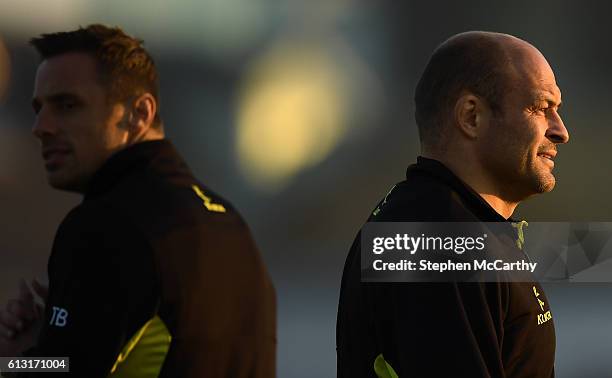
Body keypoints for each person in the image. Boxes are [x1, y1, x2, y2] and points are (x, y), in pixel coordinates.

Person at [0, 24, 276, 377]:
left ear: (139, 114)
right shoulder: (230, 223)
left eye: (67, 105)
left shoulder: (104, 226)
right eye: (38, 108)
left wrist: (14, 359)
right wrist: (52, 339)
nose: (42, 126)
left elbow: (62, 372)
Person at [337, 31, 569, 377]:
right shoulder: (433, 239)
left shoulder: (451, 225)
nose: (561, 131)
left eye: (557, 110)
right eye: (539, 108)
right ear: (471, 116)